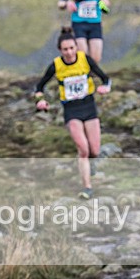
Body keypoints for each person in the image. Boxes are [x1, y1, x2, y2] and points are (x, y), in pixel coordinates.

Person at [34, 27, 111, 199]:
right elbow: (39, 87)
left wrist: (105, 87)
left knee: (95, 150)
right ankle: (87, 188)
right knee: (83, 150)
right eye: (65, 49)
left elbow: (105, 78)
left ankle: (91, 166)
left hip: (89, 107)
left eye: (71, 48)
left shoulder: (85, 60)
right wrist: (39, 100)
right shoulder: (56, 65)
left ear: (76, 47)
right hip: (71, 110)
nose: (69, 52)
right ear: (60, 50)